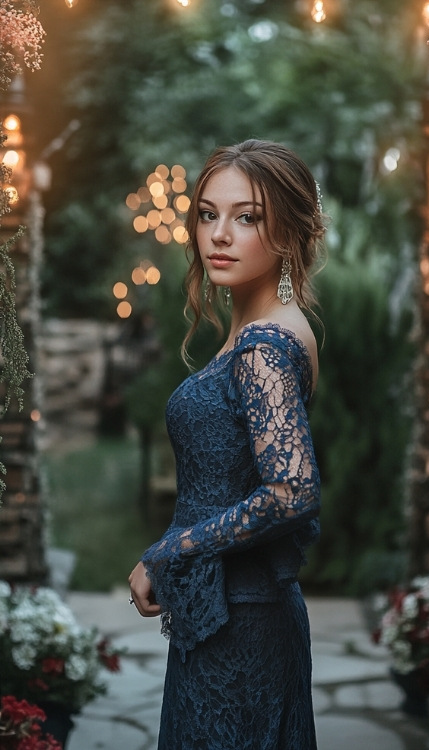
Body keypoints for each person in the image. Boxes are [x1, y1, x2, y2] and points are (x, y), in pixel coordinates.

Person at [128, 139, 326, 749]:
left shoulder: (266, 346)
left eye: (248, 218)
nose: (219, 234)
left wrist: (171, 551)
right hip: (229, 617)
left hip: (243, 627)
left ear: (289, 232)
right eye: (208, 214)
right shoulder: (256, 331)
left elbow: (293, 492)